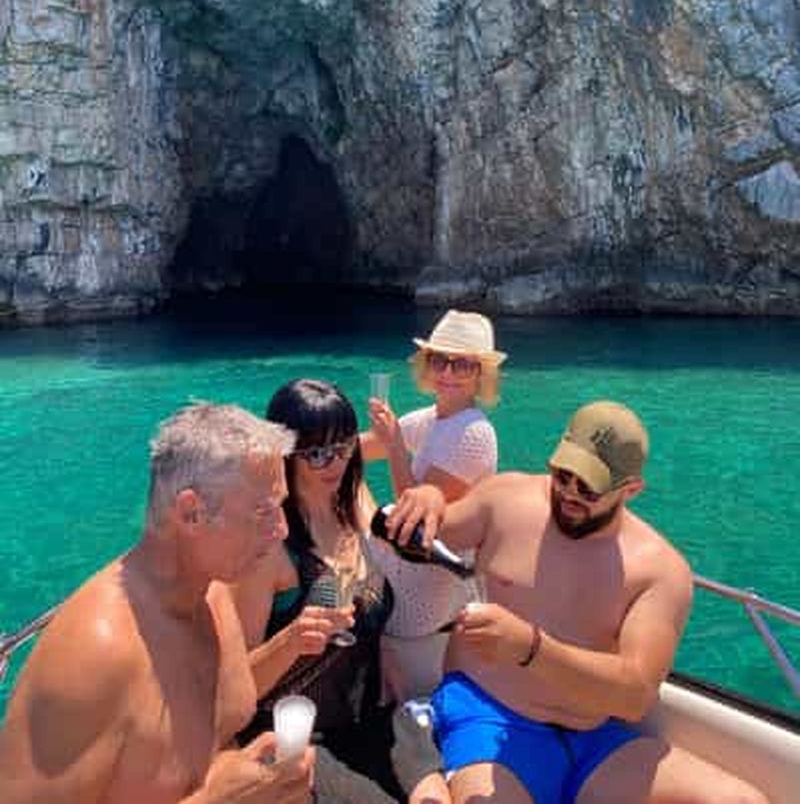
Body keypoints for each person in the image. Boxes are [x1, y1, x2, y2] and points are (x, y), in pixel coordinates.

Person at [386, 400, 770, 804]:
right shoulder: (506, 499)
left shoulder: (660, 570)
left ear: (631, 489)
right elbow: (428, 527)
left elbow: (635, 695)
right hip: (487, 714)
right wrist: (427, 495)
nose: (569, 493)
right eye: (563, 475)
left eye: (588, 487)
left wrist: (530, 648)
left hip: (592, 740)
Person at [0, 402, 314, 804]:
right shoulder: (95, 656)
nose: (281, 530)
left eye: (281, 507)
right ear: (191, 513)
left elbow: (213, 719)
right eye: (262, 511)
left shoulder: (214, 592)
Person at [228, 378, 448, 804]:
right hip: (298, 738)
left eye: (344, 446)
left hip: (372, 716)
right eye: (315, 453)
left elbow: (380, 579)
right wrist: (293, 641)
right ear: (286, 455)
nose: (334, 463)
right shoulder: (272, 549)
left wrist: (432, 493)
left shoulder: (356, 504)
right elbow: (237, 689)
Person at [363, 309, 506, 703]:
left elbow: (415, 523)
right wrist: (319, 446)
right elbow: (359, 449)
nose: (448, 371)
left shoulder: (473, 433)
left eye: (462, 364)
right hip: (399, 566)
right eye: (439, 359)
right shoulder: (432, 419)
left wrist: (394, 446)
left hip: (421, 592)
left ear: (480, 374)